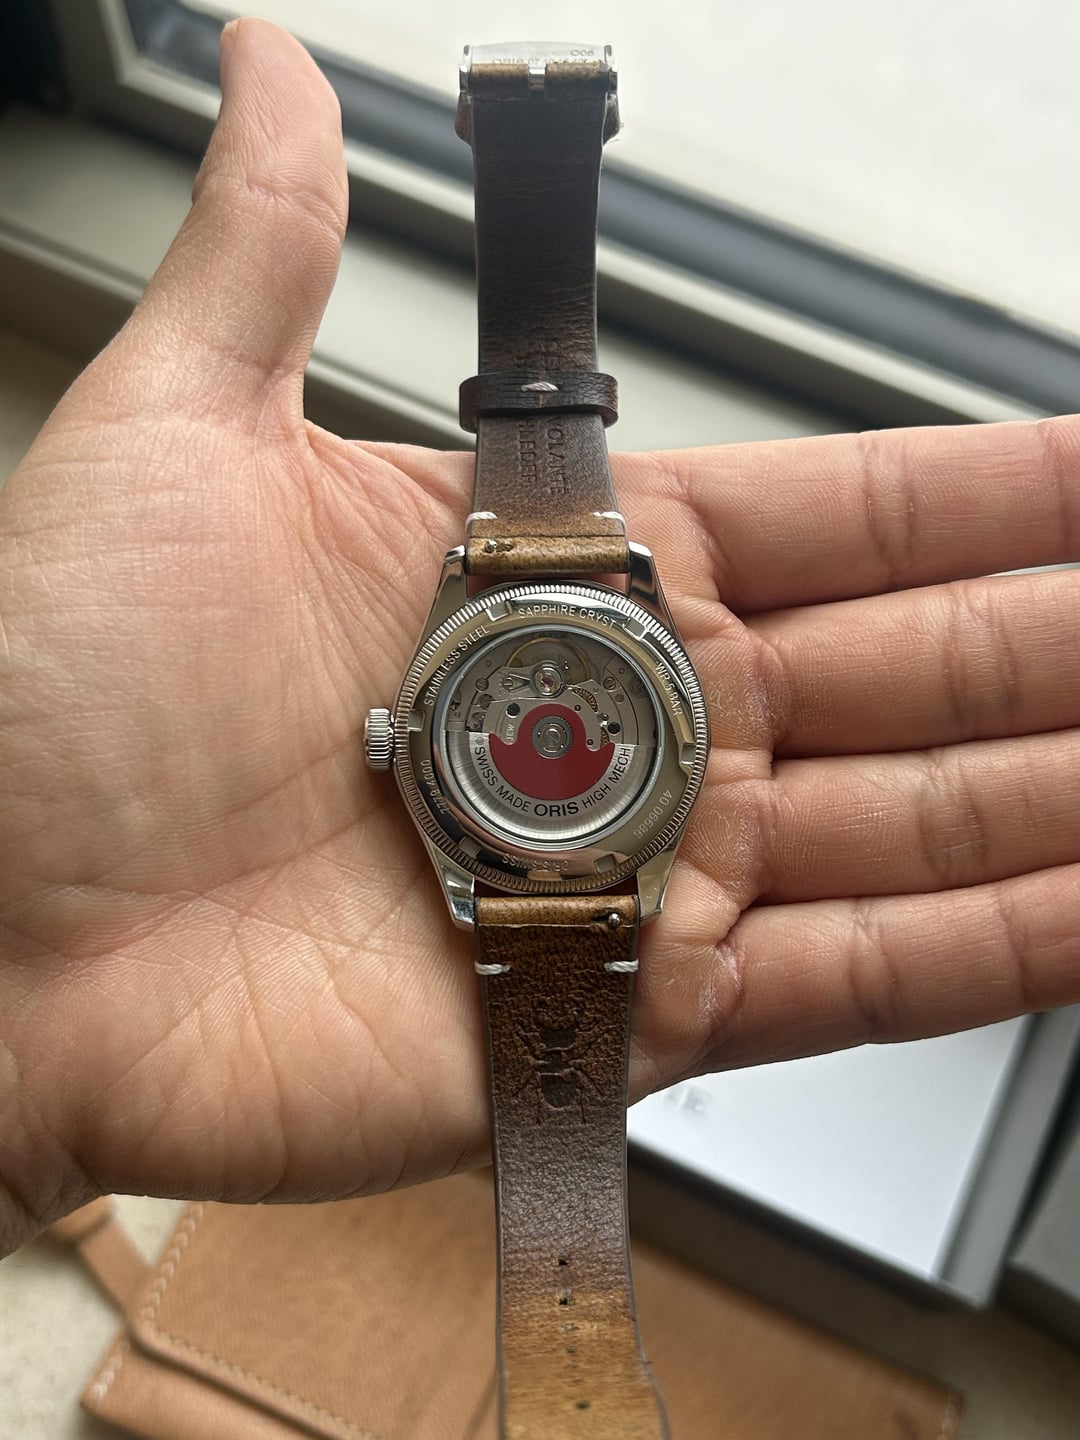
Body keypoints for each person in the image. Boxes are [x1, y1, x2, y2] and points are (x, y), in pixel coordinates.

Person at [1, 19, 1077, 1259]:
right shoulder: (507, 728)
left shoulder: (537, 711)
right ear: (403, 737)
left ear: (405, 736)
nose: (552, 729)